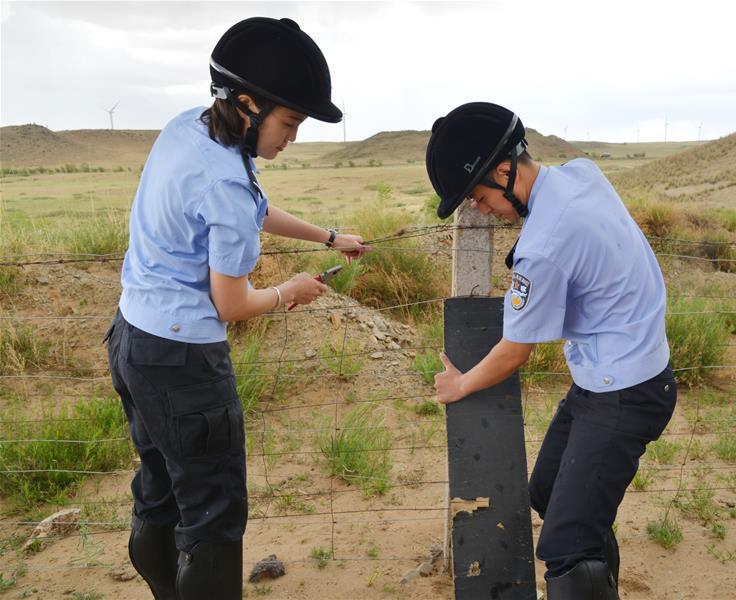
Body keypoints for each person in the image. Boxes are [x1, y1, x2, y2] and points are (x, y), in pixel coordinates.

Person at [104, 17, 368, 600]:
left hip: (132, 341)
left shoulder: (190, 130)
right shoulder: (226, 177)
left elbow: (251, 207)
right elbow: (231, 302)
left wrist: (327, 237)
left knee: (160, 493)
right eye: (290, 122)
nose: (293, 137)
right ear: (248, 104)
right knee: (215, 516)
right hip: (184, 362)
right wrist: (287, 293)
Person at [427, 102, 677, 600]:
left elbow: (514, 351)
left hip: (624, 392)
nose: (480, 210)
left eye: (478, 197)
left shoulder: (542, 246)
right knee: (545, 493)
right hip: (611, 375)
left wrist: (460, 385)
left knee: (565, 544)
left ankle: (585, 569)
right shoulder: (580, 174)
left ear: (504, 171)